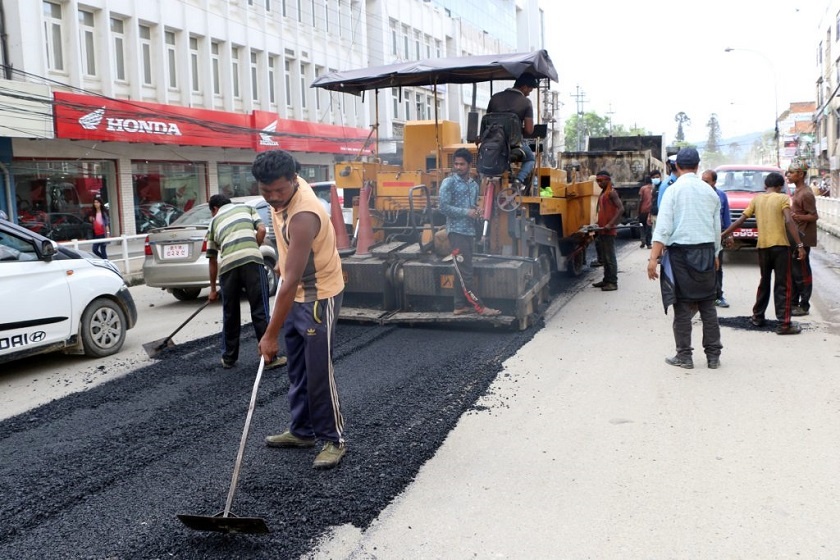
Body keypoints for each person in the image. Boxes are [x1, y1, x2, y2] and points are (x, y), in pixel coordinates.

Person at [253, 150, 347, 470]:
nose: (273, 197)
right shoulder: (281, 191)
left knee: (318, 371)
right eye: (266, 191)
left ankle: (333, 439)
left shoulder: (304, 215)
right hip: (296, 292)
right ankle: (302, 430)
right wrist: (283, 260)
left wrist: (269, 335)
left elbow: (291, 280)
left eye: (279, 190)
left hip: (319, 295)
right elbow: (288, 270)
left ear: (294, 180)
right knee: (297, 368)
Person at [647, 147, 723, 370]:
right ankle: (713, 357)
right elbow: (716, 229)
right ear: (698, 166)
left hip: (680, 256)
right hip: (706, 253)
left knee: (682, 307)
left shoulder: (673, 191)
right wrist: (715, 254)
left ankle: (684, 356)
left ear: (676, 166)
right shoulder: (711, 192)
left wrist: (653, 259)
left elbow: (663, 228)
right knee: (708, 306)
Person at [722, 172, 807, 335]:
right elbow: (789, 220)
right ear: (780, 187)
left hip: (762, 247)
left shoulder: (757, 199)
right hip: (780, 247)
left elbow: (741, 220)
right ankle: (784, 324)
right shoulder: (782, 198)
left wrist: (724, 233)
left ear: (765, 185)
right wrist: (800, 245)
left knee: (764, 282)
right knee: (783, 285)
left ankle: (757, 317)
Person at [206, 194, 285, 370]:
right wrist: (252, 248)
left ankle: (228, 358)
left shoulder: (213, 222)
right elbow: (262, 230)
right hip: (252, 263)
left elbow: (212, 259)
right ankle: (269, 358)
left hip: (228, 268)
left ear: (215, 209)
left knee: (230, 314)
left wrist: (212, 290)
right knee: (260, 310)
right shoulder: (247, 208)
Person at [438, 148, 501, 316]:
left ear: (469, 165)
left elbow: (472, 206)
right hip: (456, 232)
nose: (458, 167)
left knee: (462, 270)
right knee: (466, 272)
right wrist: (467, 212)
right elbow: (443, 207)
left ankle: (459, 306)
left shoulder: (473, 185)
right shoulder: (449, 183)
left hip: (469, 232)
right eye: (456, 164)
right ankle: (480, 307)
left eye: (462, 164)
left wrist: (477, 211)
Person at [486, 72, 538, 187]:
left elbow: (487, 121)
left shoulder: (495, 98)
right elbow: (529, 130)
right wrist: (516, 130)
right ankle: (518, 180)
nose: (528, 94)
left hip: (492, 144)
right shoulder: (526, 103)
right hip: (513, 146)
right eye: (529, 91)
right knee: (530, 159)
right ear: (524, 87)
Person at [787, 158, 819, 317]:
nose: (788, 175)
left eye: (791, 173)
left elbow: (814, 216)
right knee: (795, 272)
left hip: (803, 238)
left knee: (802, 273)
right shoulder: (798, 191)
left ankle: (804, 305)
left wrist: (798, 217)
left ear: (800, 174)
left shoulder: (806, 193)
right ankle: (794, 302)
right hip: (797, 237)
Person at [701, 169, 732, 308]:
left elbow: (726, 217)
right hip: (701, 236)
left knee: (717, 266)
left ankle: (718, 296)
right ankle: (702, 297)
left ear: (714, 182)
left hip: (716, 236)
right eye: (702, 181)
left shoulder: (721, 196)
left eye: (707, 181)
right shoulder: (698, 195)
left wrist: (728, 234)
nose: (704, 184)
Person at [592, 170, 624, 291]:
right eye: (597, 181)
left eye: (601, 181)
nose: (599, 183)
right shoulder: (603, 193)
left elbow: (621, 209)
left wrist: (610, 224)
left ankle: (612, 282)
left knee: (610, 257)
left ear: (607, 180)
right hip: (602, 229)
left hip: (609, 230)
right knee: (605, 258)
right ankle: (606, 279)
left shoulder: (612, 193)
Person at [637, 175, 653, 249]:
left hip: (643, 210)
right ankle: (648, 243)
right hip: (651, 211)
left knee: (642, 226)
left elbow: (640, 200)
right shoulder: (653, 188)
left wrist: (638, 210)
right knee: (649, 227)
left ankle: (643, 239)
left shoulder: (643, 188)